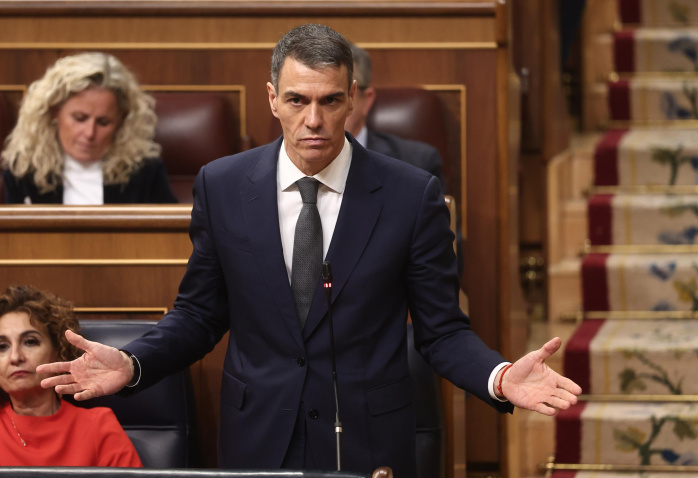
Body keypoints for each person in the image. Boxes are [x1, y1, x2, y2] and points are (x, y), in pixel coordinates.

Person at [38, 24, 581, 475]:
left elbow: (441, 331)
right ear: (272, 98)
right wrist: (135, 362)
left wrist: (499, 376)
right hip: (258, 439)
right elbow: (200, 314)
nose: (313, 120)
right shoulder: (222, 186)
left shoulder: (409, 194)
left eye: (329, 101)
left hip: (367, 442)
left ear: (354, 101)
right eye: (297, 100)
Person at [0, 285, 142, 467]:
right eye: (2, 346)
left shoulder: (98, 426)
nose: (15, 357)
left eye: (30, 342)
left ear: (58, 351)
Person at [1, 52, 177, 205]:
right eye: (79, 118)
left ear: (121, 121)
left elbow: (171, 234)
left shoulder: (144, 169)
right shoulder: (24, 169)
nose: (89, 133)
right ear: (55, 111)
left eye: (103, 122)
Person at [345, 43, 446, 192]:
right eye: (300, 100)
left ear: (366, 100)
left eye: (334, 98)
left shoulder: (418, 164)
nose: (316, 117)